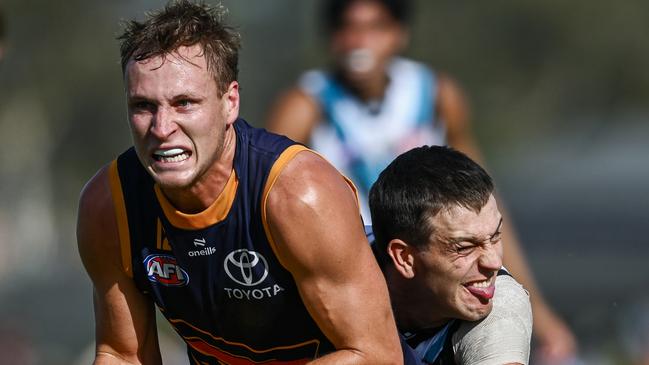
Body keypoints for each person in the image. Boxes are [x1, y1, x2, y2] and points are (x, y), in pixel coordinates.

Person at [76, 1, 409, 364]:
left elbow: (376, 356)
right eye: (143, 106)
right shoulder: (108, 205)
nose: (161, 128)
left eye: (184, 103)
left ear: (230, 102)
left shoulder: (298, 196)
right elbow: (123, 356)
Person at [266, 0, 576, 361]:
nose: (359, 41)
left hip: (437, 267)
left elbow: (483, 211)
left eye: (374, 27)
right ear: (331, 38)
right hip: (357, 270)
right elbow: (270, 202)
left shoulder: (435, 94)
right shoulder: (306, 105)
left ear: (400, 34)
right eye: (347, 28)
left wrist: (539, 309)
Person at [369, 145, 532, 364]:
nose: (493, 262)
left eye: (495, 237)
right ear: (405, 258)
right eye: (464, 247)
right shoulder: (329, 261)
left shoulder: (500, 313)